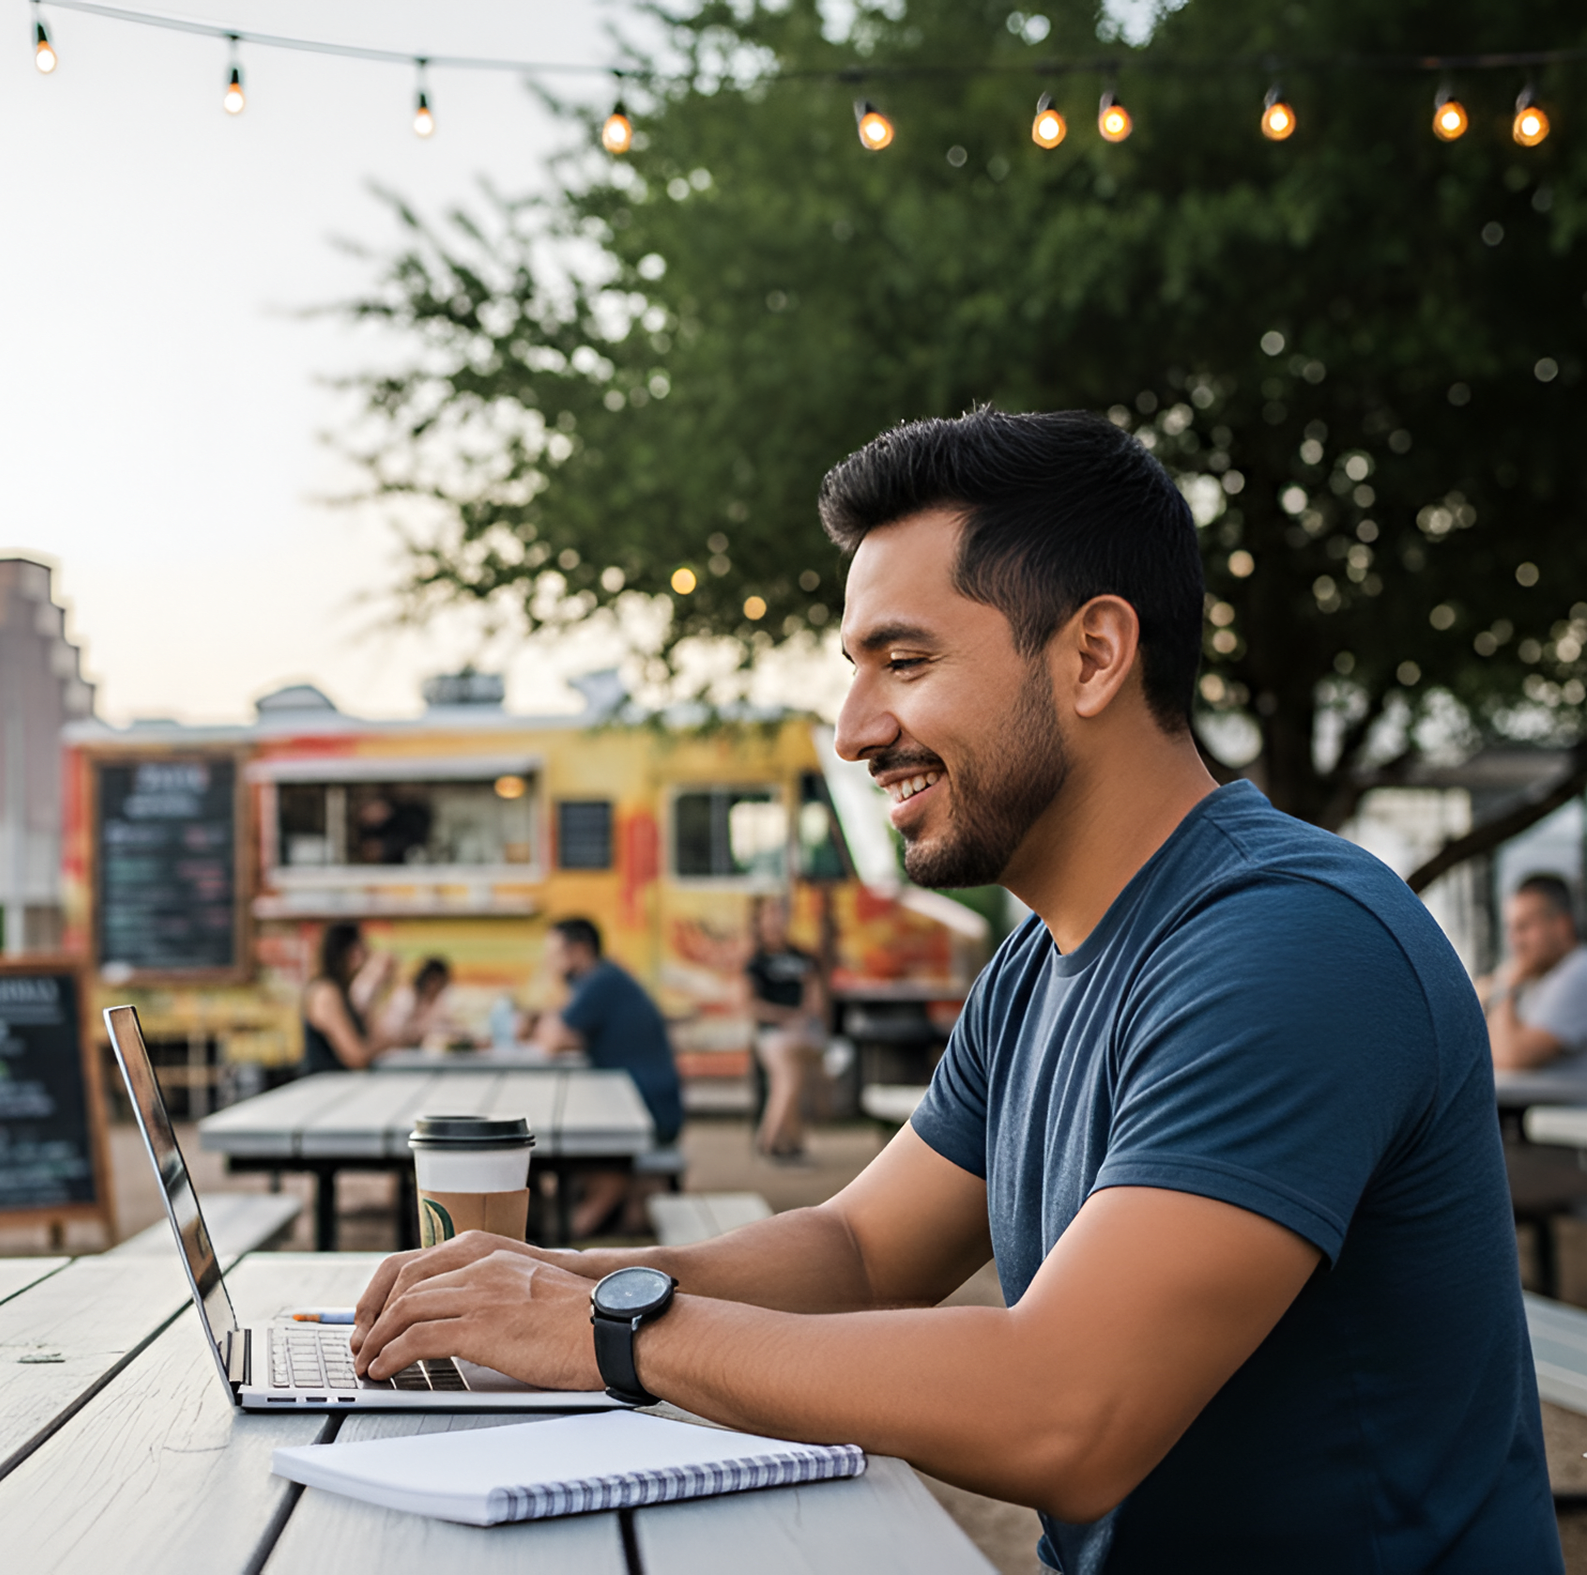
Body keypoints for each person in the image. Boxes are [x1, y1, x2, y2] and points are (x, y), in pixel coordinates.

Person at [349, 408, 1554, 1572]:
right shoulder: (1039, 962)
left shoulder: (1292, 944)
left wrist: (614, 1334)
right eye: (853, 671)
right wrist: (559, 1283)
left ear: (1092, 655)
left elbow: (1064, 1414)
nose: (854, 729)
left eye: (905, 661)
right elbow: (861, 1252)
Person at [527, 917, 682, 1235]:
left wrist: (551, 1023)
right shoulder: (604, 980)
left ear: (579, 951)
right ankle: (582, 1223)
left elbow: (554, 1039)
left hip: (649, 1109)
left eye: (555, 954)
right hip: (645, 1099)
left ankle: (565, 1237)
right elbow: (562, 1035)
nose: (550, 963)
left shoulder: (601, 982)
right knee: (585, 1160)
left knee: (600, 1164)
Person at [742, 894, 827, 1164]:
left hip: (803, 1033)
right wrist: (786, 1016)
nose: (776, 921)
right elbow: (750, 1005)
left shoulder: (803, 957)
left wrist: (802, 1017)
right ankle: (779, 1141)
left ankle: (778, 1141)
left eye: (779, 914)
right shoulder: (755, 963)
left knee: (791, 1074)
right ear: (758, 922)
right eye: (770, 915)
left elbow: (816, 1000)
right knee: (789, 1076)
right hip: (774, 1034)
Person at [1485, 873, 1587, 1071]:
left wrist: (1504, 987)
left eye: (1524, 927)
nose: (1515, 940)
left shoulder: (1579, 971)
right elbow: (1488, 1051)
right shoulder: (1539, 975)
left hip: (1561, 1103)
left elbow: (1512, 1057)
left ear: (1561, 925)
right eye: (1511, 928)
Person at [299, 921, 385, 1073]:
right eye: (364, 949)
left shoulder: (342, 991)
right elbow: (356, 1057)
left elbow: (370, 1038)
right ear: (352, 953)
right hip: (325, 1088)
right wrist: (387, 1044)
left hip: (337, 1086)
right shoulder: (326, 992)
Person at [375, 956, 459, 1050]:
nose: (436, 986)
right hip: (392, 1049)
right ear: (426, 979)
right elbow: (392, 1032)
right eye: (433, 980)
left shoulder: (439, 1000)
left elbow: (448, 1024)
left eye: (441, 982)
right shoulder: (406, 997)